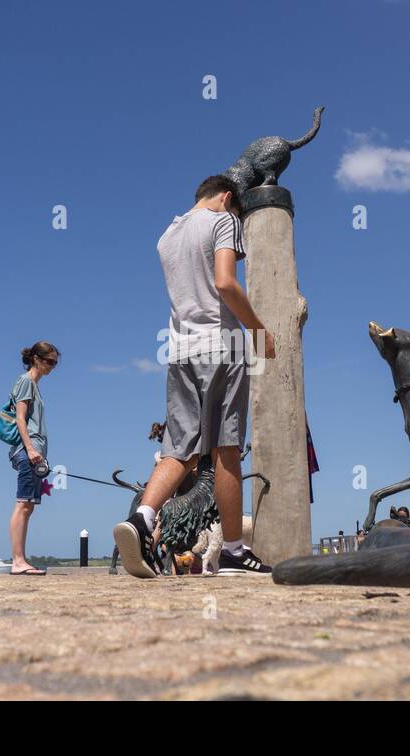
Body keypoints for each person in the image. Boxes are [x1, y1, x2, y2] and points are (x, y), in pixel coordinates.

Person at [113, 174, 277, 577]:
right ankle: (235, 553)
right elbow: (225, 281)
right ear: (226, 198)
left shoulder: (168, 233)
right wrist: (258, 332)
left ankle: (143, 519)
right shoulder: (225, 219)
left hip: (179, 350)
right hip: (222, 345)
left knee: (180, 447)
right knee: (226, 446)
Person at [6, 341, 59, 576]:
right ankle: (17, 561)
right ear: (36, 359)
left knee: (28, 506)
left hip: (35, 453)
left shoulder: (34, 385)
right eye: (50, 362)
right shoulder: (26, 381)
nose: (53, 367)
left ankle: (20, 559)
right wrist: (30, 449)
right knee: (23, 504)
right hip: (28, 451)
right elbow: (20, 418)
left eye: (56, 363)